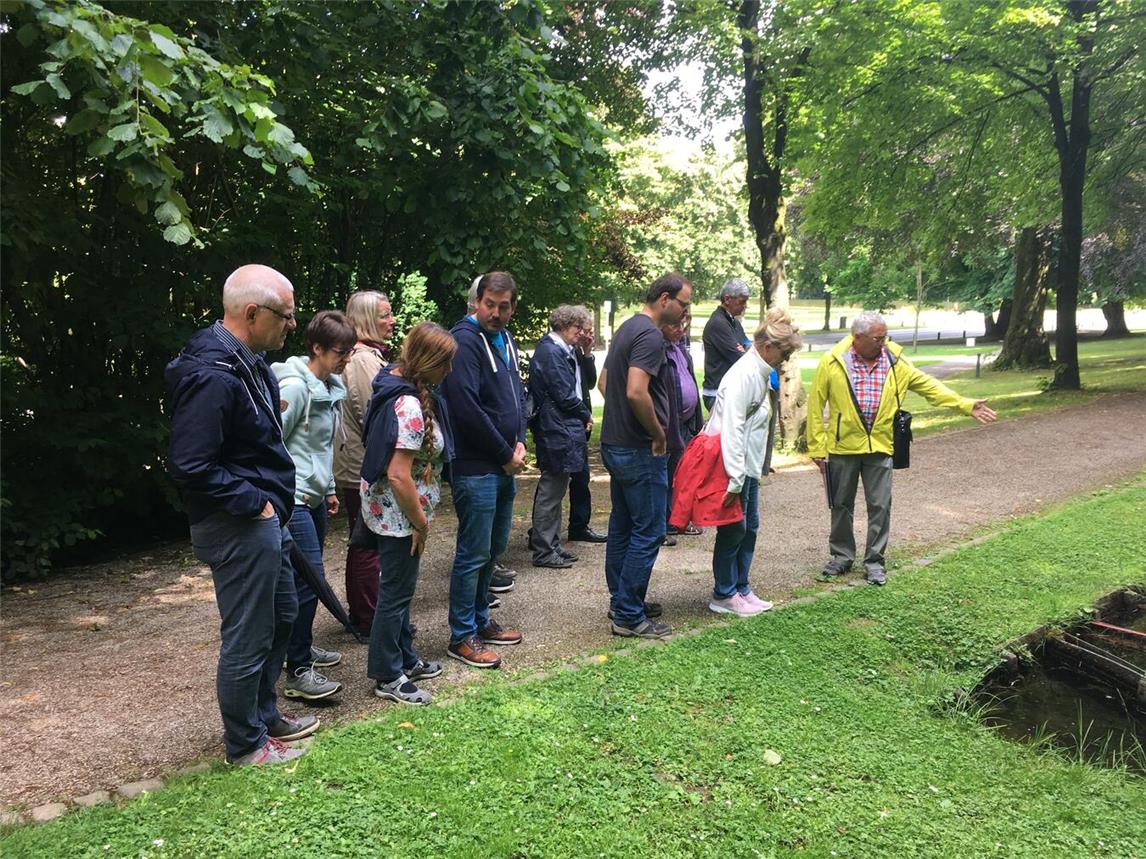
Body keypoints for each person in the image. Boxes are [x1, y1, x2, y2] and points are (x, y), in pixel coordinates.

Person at [166, 264, 315, 766]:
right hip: (237, 522)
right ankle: (246, 744)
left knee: (283, 615)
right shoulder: (211, 373)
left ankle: (264, 714)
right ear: (253, 313)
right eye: (287, 316)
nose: (292, 325)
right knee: (248, 634)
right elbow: (190, 464)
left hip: (261, 518)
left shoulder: (245, 358)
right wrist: (256, 504)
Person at [806, 311, 998, 585]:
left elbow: (929, 386)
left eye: (885, 337)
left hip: (881, 445)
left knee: (880, 505)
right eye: (877, 338)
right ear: (857, 338)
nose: (882, 343)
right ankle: (841, 557)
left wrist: (965, 404)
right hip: (842, 446)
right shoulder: (833, 361)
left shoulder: (895, 361)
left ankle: (874, 562)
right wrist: (816, 446)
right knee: (840, 504)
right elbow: (816, 405)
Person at [675, 307, 803, 616]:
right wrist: (734, 478)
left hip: (748, 467)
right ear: (768, 346)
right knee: (734, 529)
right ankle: (724, 593)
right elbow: (732, 430)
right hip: (732, 465)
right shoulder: (743, 376)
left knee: (749, 527)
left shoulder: (758, 371)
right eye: (783, 353)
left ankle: (741, 587)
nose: (785, 360)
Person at [360, 322, 457, 704]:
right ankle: (387, 674)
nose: (448, 372)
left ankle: (404, 657)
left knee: (400, 589)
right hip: (400, 515)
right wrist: (419, 522)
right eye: (445, 364)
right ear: (428, 361)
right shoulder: (410, 406)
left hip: (392, 511)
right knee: (396, 593)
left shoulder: (394, 381)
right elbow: (399, 474)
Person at [439, 272, 526, 668]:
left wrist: (520, 439)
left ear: (512, 305)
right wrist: (504, 452)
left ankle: (481, 620)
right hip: (476, 466)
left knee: (493, 549)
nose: (495, 312)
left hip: (504, 462)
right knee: (473, 553)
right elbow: (465, 408)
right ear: (476, 302)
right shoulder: (464, 341)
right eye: (488, 304)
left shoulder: (504, 337)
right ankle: (462, 635)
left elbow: (516, 395)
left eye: (503, 306)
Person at [599, 272, 692, 639]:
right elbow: (637, 392)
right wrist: (656, 433)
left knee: (624, 524)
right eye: (684, 304)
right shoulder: (651, 335)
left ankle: (621, 599)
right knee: (650, 529)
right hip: (639, 450)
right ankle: (628, 614)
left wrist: (621, 418)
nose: (685, 312)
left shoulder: (627, 327)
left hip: (615, 445)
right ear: (665, 298)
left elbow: (605, 383)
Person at [271, 310, 355, 702]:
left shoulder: (330, 387)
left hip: (317, 495)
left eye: (350, 351)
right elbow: (273, 445)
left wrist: (331, 488)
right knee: (310, 583)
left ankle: (299, 648)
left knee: (310, 580)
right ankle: (298, 670)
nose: (346, 358)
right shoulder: (295, 389)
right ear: (316, 348)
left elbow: (319, 448)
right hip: (294, 499)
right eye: (340, 351)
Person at [334, 290, 396, 635]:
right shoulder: (361, 360)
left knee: (366, 540)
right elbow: (373, 416)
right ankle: (368, 616)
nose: (392, 321)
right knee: (367, 541)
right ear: (368, 319)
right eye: (385, 315)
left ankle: (366, 613)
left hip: (363, 463)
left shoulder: (368, 356)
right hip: (362, 466)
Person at [527, 305, 593, 568]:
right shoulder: (552, 352)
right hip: (556, 428)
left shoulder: (558, 350)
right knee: (551, 490)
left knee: (557, 488)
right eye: (578, 328)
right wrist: (585, 413)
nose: (581, 334)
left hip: (560, 428)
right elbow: (565, 396)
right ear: (566, 326)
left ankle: (552, 545)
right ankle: (544, 550)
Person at [662, 309, 704, 545]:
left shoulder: (678, 346)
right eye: (677, 325)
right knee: (666, 476)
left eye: (684, 326)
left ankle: (677, 519)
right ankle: (665, 523)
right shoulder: (659, 348)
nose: (682, 330)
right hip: (670, 424)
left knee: (681, 475)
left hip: (685, 422)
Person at [567, 319, 607, 544]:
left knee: (581, 478)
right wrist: (584, 415)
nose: (589, 335)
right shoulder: (559, 351)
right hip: (568, 425)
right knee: (556, 481)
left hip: (581, 424)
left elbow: (589, 383)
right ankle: (542, 533)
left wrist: (588, 352)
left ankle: (579, 526)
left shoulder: (577, 352)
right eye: (586, 331)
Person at [702, 278, 751, 412]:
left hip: (729, 391)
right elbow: (741, 359)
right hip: (717, 393)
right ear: (728, 299)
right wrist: (743, 351)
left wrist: (745, 349)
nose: (745, 306)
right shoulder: (718, 323)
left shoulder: (734, 323)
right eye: (742, 301)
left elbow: (749, 347)